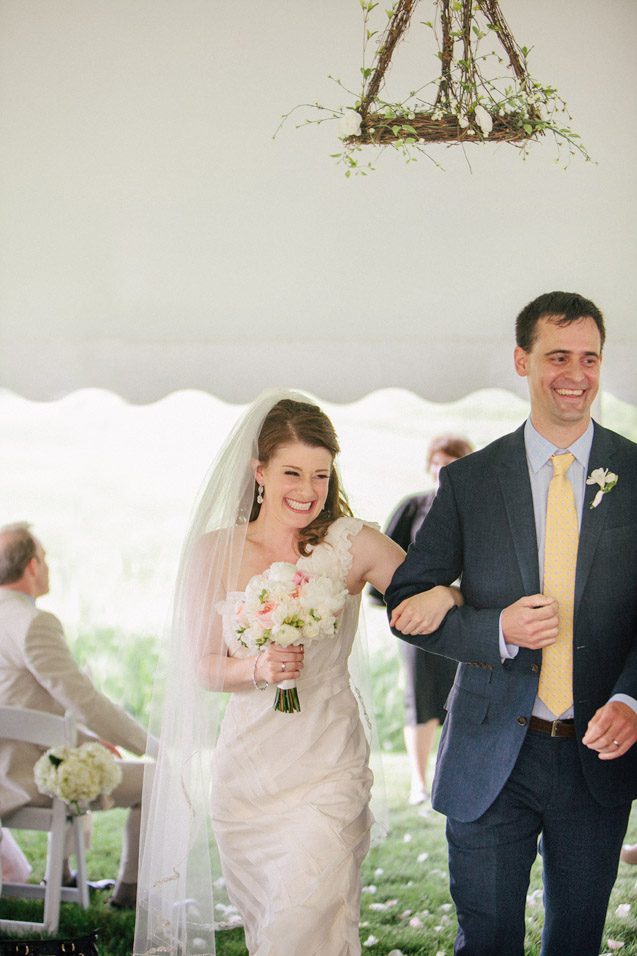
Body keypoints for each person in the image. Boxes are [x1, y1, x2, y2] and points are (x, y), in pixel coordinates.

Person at [134, 390, 462, 956]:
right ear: (259, 471)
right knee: (272, 926)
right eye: (291, 472)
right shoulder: (216, 552)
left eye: (320, 474)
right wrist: (259, 665)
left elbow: (432, 592)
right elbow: (204, 666)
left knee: (305, 921)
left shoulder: (353, 542)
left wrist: (448, 599)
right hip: (249, 777)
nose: (307, 491)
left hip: (328, 765)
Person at [386, 291, 637, 956]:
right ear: (522, 361)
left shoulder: (636, 473)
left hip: (596, 755)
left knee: (576, 939)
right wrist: (494, 629)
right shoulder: (468, 481)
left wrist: (630, 697)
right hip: (489, 752)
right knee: (488, 938)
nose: (575, 374)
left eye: (588, 358)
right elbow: (407, 603)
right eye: (557, 356)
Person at [0, 522, 149, 909]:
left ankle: (62, 876)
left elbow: (30, 704)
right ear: (33, 566)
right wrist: (148, 744)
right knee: (157, 778)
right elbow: (83, 699)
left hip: (18, 758)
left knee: (77, 754)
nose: (47, 567)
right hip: (20, 776)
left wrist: (87, 739)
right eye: (45, 558)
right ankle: (129, 893)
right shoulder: (33, 623)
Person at [371, 434, 473, 806]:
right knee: (420, 698)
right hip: (415, 625)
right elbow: (388, 569)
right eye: (437, 462)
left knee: (459, 698)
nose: (441, 469)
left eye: (450, 462)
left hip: (462, 620)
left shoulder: (474, 508)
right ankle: (418, 782)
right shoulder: (413, 507)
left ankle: (456, 777)